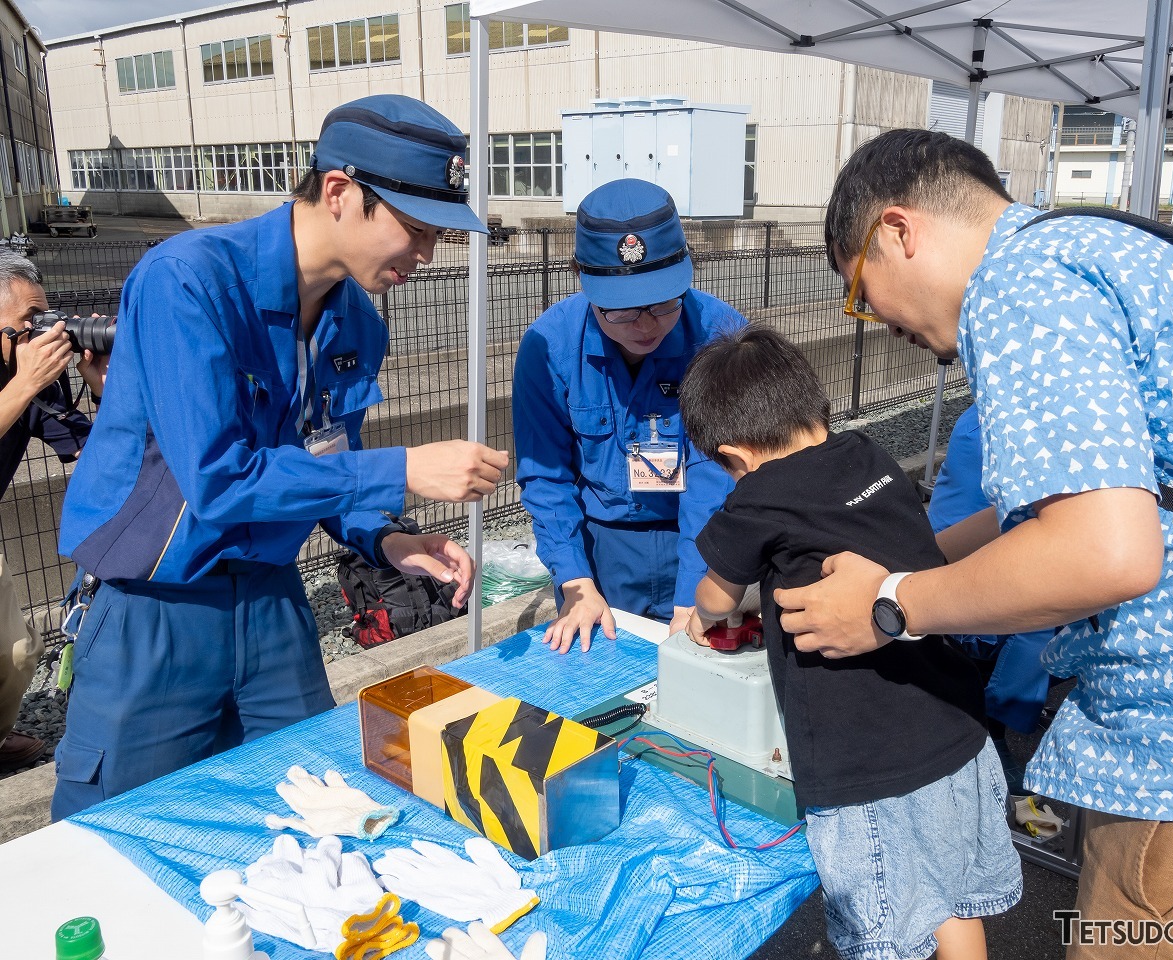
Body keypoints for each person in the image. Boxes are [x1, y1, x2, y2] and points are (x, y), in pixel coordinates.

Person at [791, 128, 1173, 956]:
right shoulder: (1088, 247)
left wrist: (887, 604)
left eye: (860, 293)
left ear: (897, 232)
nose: (876, 320)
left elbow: (1104, 552)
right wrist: (921, 559)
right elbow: (1099, 504)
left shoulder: (1019, 287)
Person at [53, 95, 509, 819]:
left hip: (272, 605)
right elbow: (218, 480)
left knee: (317, 820)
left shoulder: (356, 320)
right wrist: (404, 467)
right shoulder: (190, 280)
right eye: (417, 231)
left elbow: (329, 462)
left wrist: (387, 536)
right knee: (125, 837)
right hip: (155, 612)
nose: (424, 256)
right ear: (339, 193)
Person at [681, 326, 1020, 960]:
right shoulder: (868, 455)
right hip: (954, 724)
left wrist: (703, 616)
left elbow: (716, 597)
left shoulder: (755, 500)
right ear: (813, 408)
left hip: (866, 764)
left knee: (884, 931)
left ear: (735, 456)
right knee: (948, 900)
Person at [512, 178, 745, 653]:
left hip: (704, 536)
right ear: (586, 285)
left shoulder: (720, 334)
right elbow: (546, 478)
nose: (645, 325)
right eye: (621, 311)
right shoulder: (549, 347)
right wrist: (575, 581)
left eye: (662, 304)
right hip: (602, 549)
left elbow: (716, 474)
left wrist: (697, 591)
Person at [0, 251, 106, 774]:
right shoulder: (24, 377)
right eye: (28, 324)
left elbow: (89, 449)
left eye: (45, 318)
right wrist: (21, 385)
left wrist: (105, 388)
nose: (43, 334)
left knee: (16, 655)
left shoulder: (35, 374)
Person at [928, 403, 1056, 790]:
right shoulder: (1027, 437)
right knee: (1054, 604)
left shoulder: (979, 415)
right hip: (965, 577)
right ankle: (995, 729)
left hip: (939, 557)